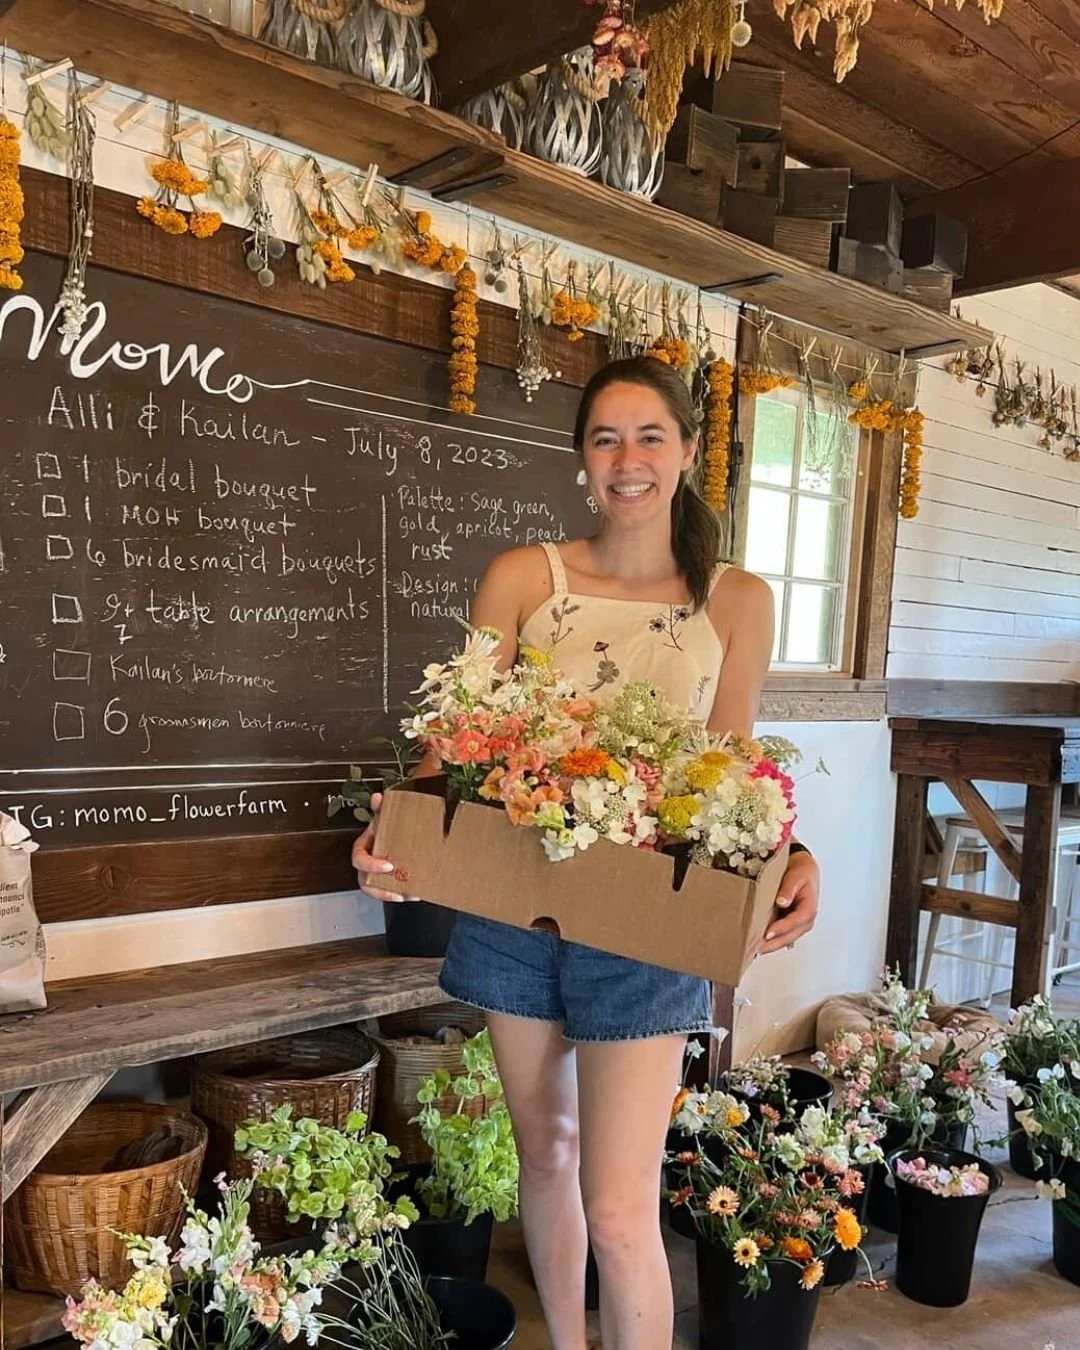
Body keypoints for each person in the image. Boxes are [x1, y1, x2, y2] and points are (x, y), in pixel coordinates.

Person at [353, 355, 821, 1350]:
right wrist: (393, 840)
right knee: (548, 1156)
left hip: (648, 925)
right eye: (606, 438)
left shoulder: (736, 599)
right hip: (512, 909)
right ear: (581, 462)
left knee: (620, 1208)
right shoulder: (526, 577)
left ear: (690, 453)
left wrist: (795, 853)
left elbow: (730, 775)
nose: (628, 459)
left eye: (650, 436)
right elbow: (452, 744)